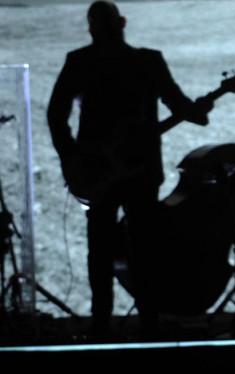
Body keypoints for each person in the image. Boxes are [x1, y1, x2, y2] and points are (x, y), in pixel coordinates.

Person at [47, 1, 211, 337]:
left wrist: (73, 159)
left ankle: (102, 322)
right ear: (123, 22)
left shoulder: (80, 61)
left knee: (102, 247)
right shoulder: (147, 60)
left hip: (99, 173)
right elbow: (177, 102)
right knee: (145, 247)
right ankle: (148, 320)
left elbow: (56, 115)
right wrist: (198, 111)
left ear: (90, 28)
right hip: (139, 171)